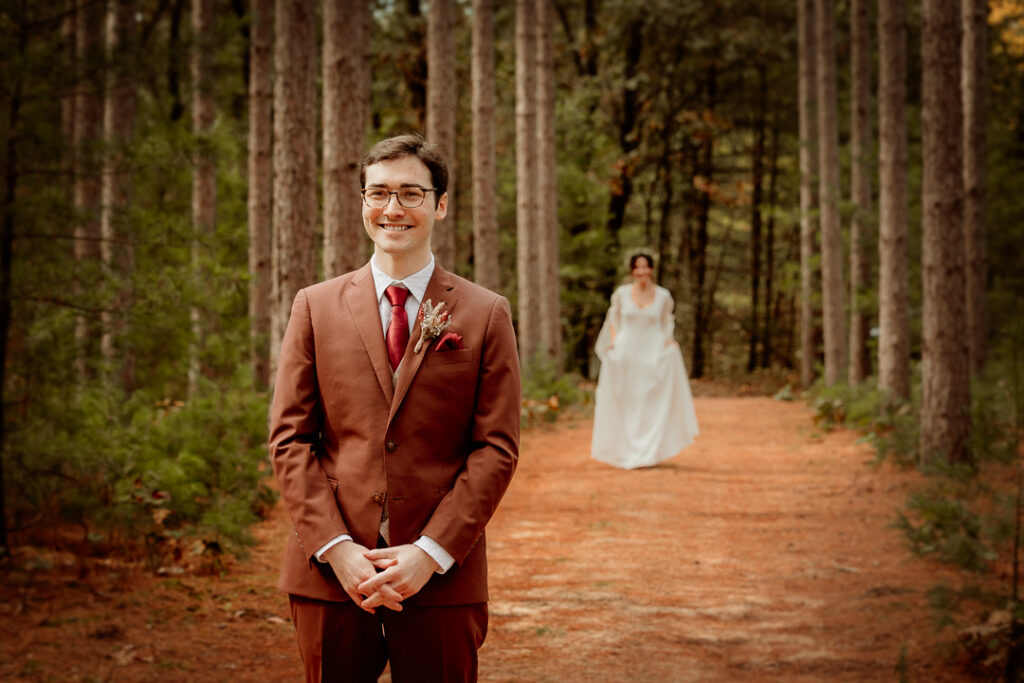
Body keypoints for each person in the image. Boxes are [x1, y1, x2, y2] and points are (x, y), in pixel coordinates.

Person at [268, 133, 521, 682]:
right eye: (378, 193)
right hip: (330, 574)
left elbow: (496, 449)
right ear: (362, 201)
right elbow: (290, 440)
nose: (392, 209)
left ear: (441, 204)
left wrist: (430, 552)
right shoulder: (314, 306)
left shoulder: (485, 313)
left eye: (411, 194)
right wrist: (336, 548)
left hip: (443, 573)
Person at [591, 251, 699, 469]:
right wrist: (612, 344)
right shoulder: (621, 294)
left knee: (649, 402)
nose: (641, 271)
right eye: (637, 267)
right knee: (627, 401)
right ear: (632, 270)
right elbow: (614, 321)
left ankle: (650, 452)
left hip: (653, 356)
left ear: (651, 269)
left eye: (645, 267)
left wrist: (669, 343)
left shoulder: (663, 296)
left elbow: (666, 322)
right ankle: (625, 451)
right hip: (626, 355)